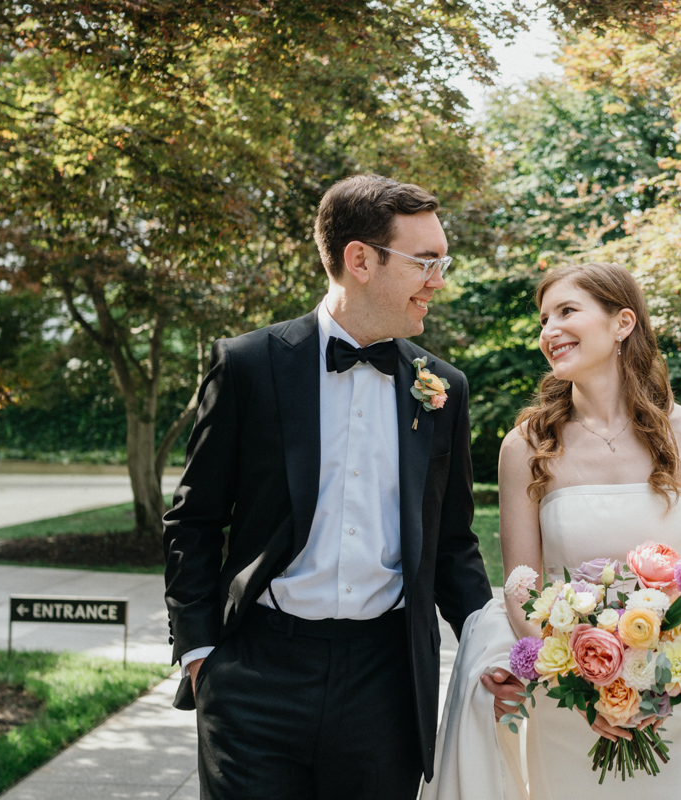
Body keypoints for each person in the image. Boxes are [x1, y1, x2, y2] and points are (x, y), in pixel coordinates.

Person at [162, 174, 493, 799]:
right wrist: (200, 653)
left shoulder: (443, 388)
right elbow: (194, 519)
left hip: (386, 684)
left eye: (441, 262)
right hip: (256, 673)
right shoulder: (248, 365)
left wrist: (496, 651)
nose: (439, 280)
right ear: (360, 260)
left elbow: (452, 544)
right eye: (426, 262)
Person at [475, 261, 681, 798]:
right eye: (543, 318)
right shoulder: (525, 446)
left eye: (567, 312)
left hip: (680, 702)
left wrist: (664, 678)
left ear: (623, 323)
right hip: (568, 709)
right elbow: (520, 586)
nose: (549, 330)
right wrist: (585, 689)